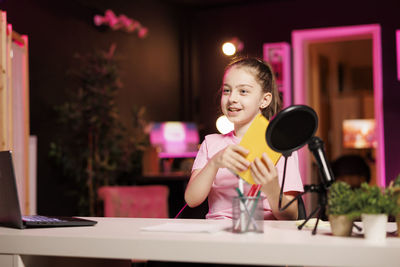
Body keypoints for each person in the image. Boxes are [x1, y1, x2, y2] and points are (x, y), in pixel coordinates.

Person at [184, 57, 303, 220]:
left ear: (264, 100)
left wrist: (272, 188)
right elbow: (191, 200)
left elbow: (291, 216)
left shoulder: (281, 146)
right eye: (227, 90)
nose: (232, 98)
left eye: (243, 91)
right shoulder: (210, 143)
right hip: (218, 235)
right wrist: (214, 163)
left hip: (264, 234)